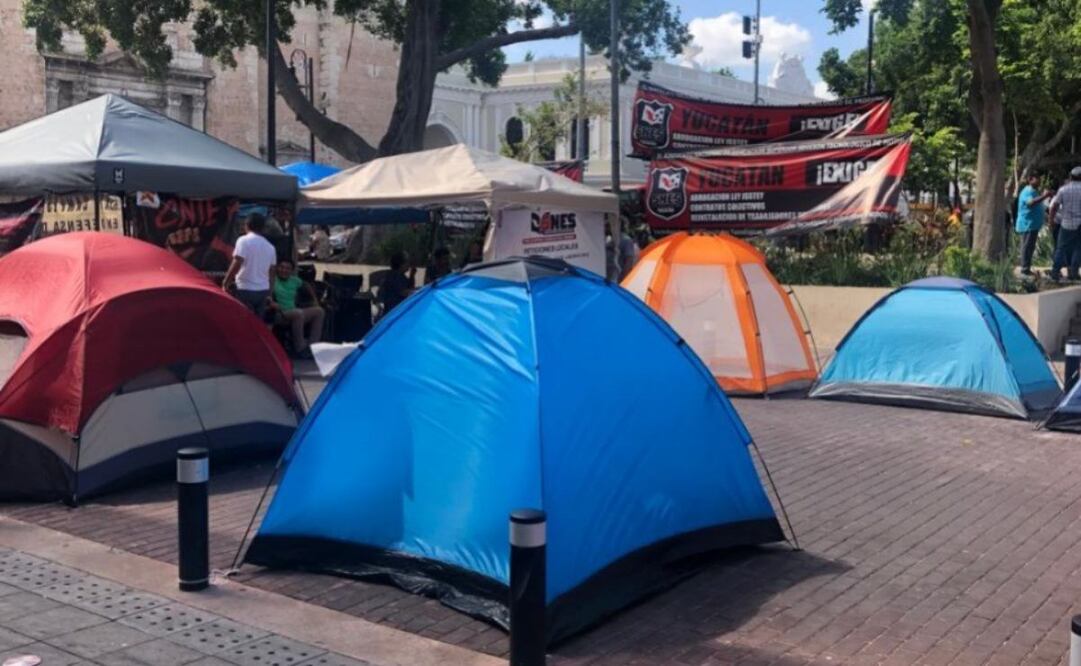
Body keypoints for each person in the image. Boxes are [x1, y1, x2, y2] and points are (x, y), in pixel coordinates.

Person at [223, 213, 277, 318]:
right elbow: (272, 273)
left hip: (244, 289)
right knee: (258, 324)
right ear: (262, 228)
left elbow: (237, 263)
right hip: (262, 291)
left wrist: (226, 282)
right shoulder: (271, 247)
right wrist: (269, 294)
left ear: (246, 225)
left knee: (243, 323)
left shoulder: (243, 240)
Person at [269, 260, 325, 357]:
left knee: (319, 311)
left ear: (291, 271)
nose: (284, 270)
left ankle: (312, 347)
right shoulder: (273, 280)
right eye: (282, 267)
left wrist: (315, 301)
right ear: (277, 268)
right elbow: (266, 294)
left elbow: (307, 285)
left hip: (293, 310)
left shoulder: (294, 280)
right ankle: (300, 348)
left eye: (287, 268)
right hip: (280, 313)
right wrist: (272, 302)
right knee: (298, 313)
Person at [1015, 174, 1052, 275]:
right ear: (1030, 179)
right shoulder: (1028, 191)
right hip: (1027, 224)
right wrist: (1045, 196)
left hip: (1033, 225)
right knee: (1027, 247)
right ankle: (1024, 269)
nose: (1039, 181)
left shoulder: (1034, 191)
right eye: (1037, 179)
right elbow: (1030, 203)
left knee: (1030, 247)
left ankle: (1026, 267)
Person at [1049, 167, 1081, 281]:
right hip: (1080, 224)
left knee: (1061, 248)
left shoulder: (1063, 190)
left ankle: (1055, 272)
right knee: (1078, 248)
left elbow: (1054, 206)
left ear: (1071, 176)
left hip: (1066, 223)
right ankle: (1073, 272)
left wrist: (1051, 221)